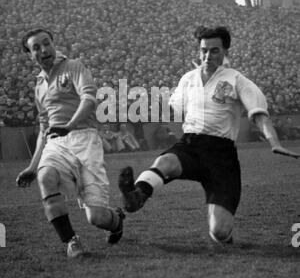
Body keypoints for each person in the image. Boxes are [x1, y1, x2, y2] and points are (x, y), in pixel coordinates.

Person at [117, 26, 299, 245]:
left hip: (221, 156)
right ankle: (136, 196)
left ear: (225, 52)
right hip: (191, 145)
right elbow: (176, 106)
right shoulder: (188, 79)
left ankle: (225, 234)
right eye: (204, 50)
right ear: (198, 51)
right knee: (165, 161)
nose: (207, 56)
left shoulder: (237, 80)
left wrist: (274, 141)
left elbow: (259, 114)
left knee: (219, 232)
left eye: (214, 51)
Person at [16, 29, 125, 258]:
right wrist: (32, 167)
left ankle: (115, 220)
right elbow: (44, 128)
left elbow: (88, 98)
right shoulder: (39, 86)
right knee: (46, 178)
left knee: (97, 217)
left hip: (84, 138)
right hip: (57, 142)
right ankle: (71, 241)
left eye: (47, 43)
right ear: (30, 55)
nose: (43, 50)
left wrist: (70, 125)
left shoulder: (73, 66)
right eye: (36, 47)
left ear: (54, 44)